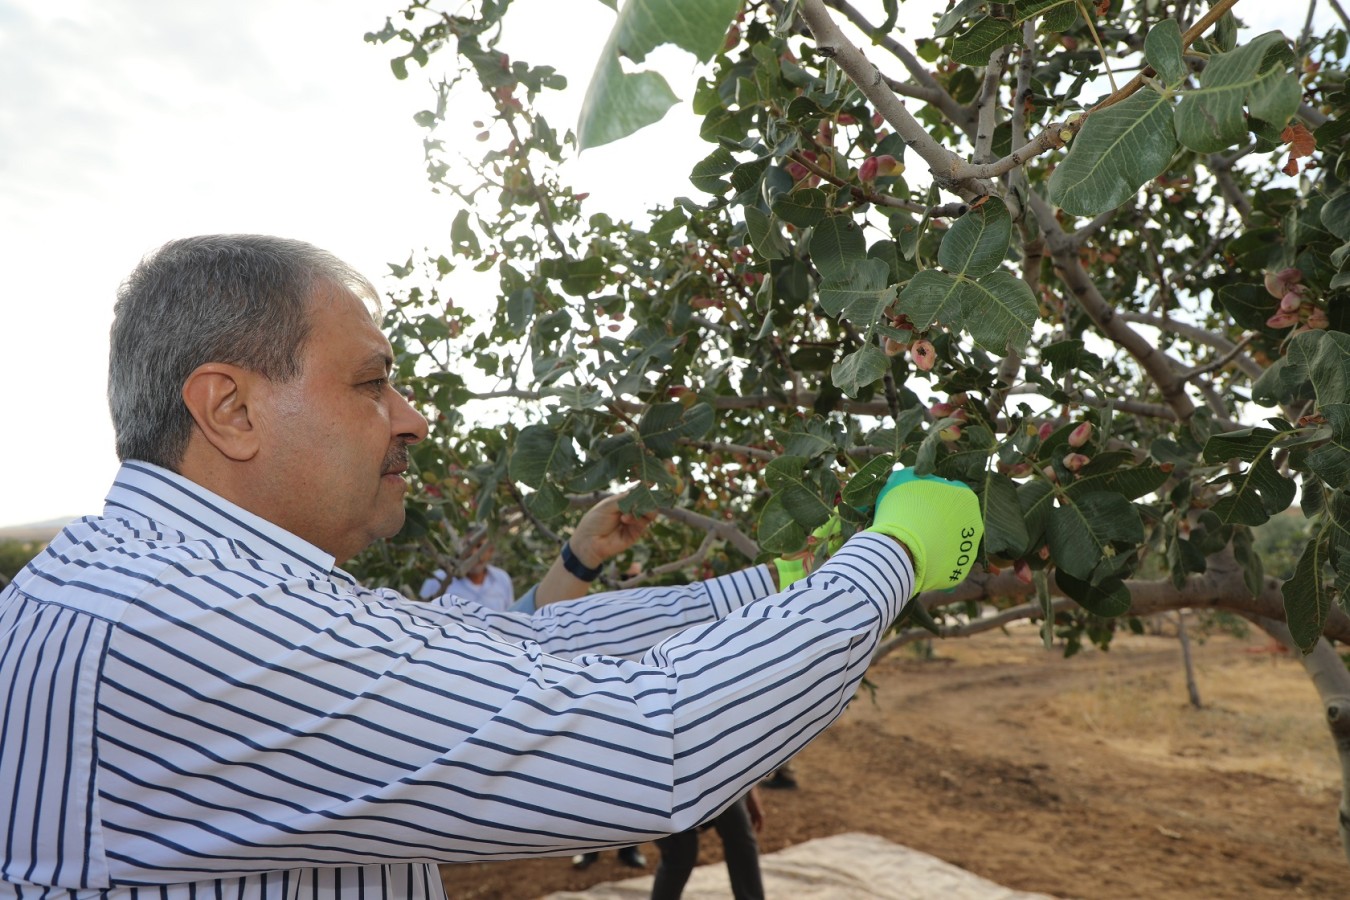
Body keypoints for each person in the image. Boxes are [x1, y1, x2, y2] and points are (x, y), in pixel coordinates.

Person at [0, 234, 984, 899]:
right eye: (373, 383)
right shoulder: (192, 620)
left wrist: (783, 582)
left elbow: (506, 640)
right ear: (231, 409)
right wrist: (888, 556)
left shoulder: (150, 578)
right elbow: (658, 747)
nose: (413, 418)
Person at [650, 788, 763, 900]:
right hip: (667, 784)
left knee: (739, 834)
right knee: (681, 851)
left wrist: (750, 789)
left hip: (713, 780)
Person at [418, 533, 515, 611]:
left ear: (490, 550)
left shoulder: (502, 579)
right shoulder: (435, 579)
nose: (473, 553)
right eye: (468, 545)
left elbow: (509, 618)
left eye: (480, 546)